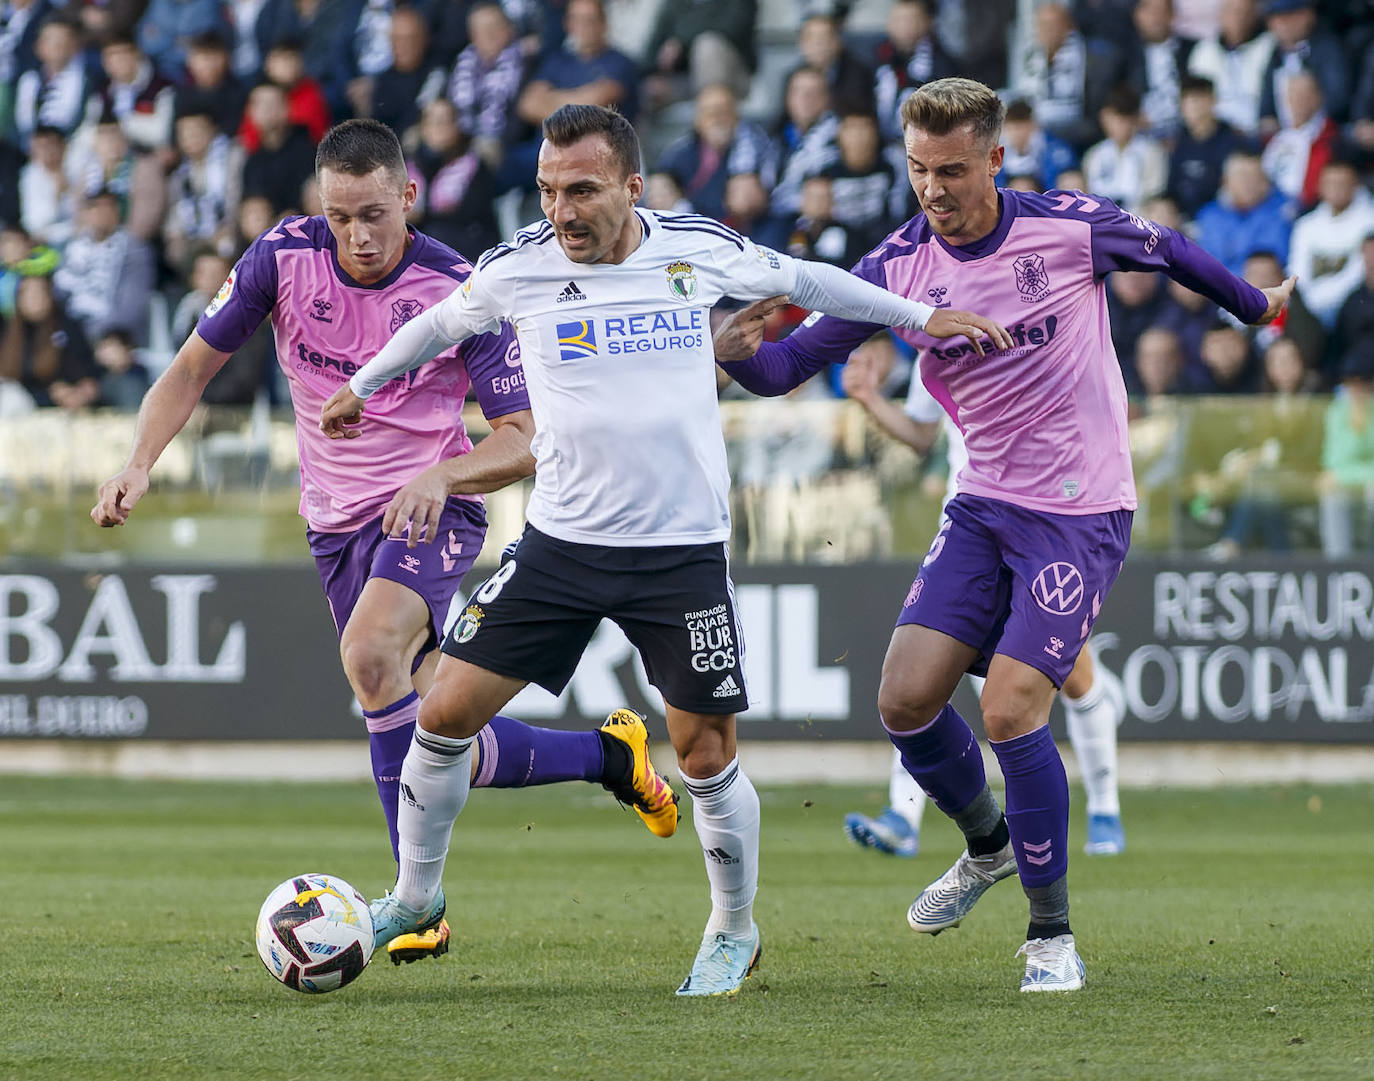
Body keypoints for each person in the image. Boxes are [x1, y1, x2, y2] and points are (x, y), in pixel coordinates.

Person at [318, 103, 1010, 997]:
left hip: (678, 553)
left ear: (632, 186)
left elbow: (810, 280)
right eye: (548, 191)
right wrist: (362, 386)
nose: (562, 212)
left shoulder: (692, 250)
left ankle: (733, 927)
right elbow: (439, 326)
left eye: (582, 191)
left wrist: (922, 315)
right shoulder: (520, 266)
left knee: (707, 753)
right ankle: (416, 895)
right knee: (442, 712)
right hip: (560, 544)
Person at [711, 77, 1292, 992]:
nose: (932, 190)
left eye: (949, 169)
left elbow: (1169, 246)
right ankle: (987, 845)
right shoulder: (895, 265)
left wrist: (1253, 307)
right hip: (981, 504)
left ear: (996, 158)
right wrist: (737, 353)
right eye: (915, 171)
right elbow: (787, 367)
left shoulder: (1065, 228)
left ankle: (1052, 935)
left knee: (1014, 705)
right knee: (903, 702)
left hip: (1082, 506)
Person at [91, 118, 683, 967]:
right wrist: (138, 462)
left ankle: (418, 900)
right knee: (440, 739)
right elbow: (190, 369)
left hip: (430, 510)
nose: (358, 236)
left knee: (371, 654)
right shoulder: (281, 258)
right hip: (333, 524)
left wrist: (441, 479)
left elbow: (524, 436)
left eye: (373, 213)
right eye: (340, 217)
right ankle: (610, 756)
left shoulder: (457, 288)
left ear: (407, 196)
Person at [838, 341, 1130, 860]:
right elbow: (923, 432)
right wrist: (868, 399)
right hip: (968, 531)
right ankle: (902, 815)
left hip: (1045, 529)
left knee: (1075, 677)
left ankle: (1105, 807)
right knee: (922, 680)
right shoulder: (940, 341)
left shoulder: (1045, 329)